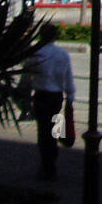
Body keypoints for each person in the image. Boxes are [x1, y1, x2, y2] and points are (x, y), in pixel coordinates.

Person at [23, 23, 76, 181]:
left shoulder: (36, 54)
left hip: (41, 95)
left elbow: (26, 77)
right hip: (57, 96)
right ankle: (51, 161)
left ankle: (46, 164)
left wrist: (23, 92)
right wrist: (70, 97)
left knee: (43, 130)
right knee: (54, 129)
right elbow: (68, 77)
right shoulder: (63, 54)